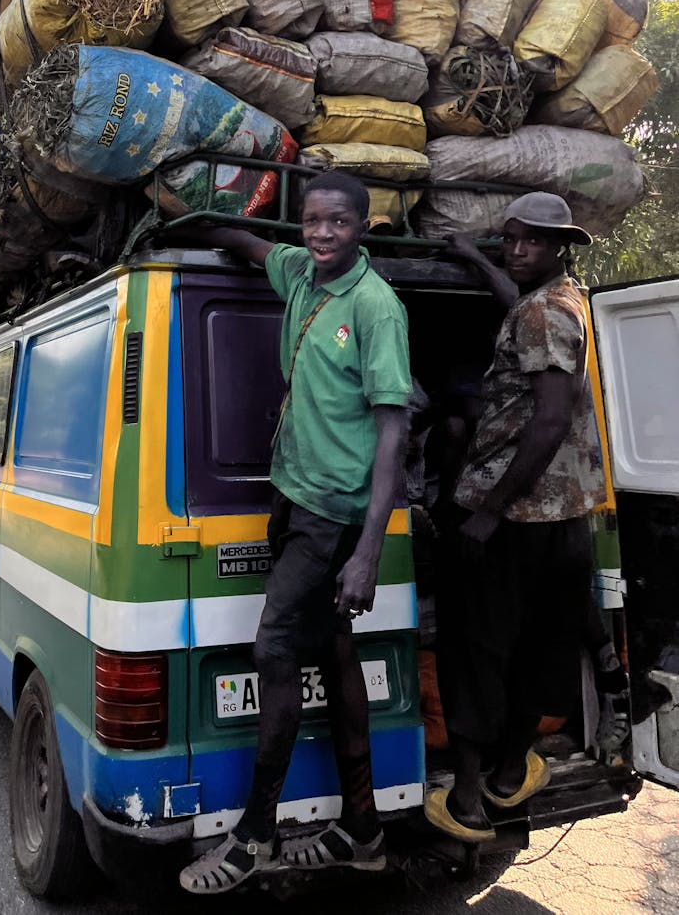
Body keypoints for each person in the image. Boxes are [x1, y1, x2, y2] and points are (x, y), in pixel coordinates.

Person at [179, 171, 411, 894]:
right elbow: (251, 245)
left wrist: (367, 553)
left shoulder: (375, 307)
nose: (319, 234)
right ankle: (363, 830)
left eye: (336, 223)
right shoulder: (302, 274)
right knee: (333, 649)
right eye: (310, 221)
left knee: (274, 643)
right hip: (291, 495)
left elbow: (393, 432)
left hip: (336, 514)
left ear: (360, 228)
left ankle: (253, 837)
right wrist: (189, 222)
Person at [424, 193, 607, 842]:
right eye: (511, 239)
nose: (518, 249)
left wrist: (487, 514)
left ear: (559, 245)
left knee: (476, 648)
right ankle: (509, 773)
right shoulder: (561, 300)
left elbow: (550, 419)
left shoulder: (542, 313)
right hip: (567, 518)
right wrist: (476, 260)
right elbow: (520, 308)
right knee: (545, 645)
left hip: (513, 520)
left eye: (532, 241)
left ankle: (470, 798)